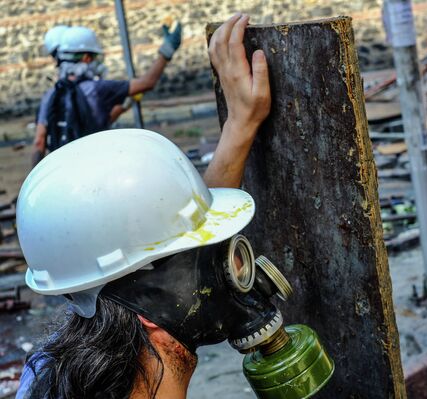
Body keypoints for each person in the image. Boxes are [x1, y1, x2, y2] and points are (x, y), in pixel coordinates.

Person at [16, 14, 272, 399]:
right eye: (211, 256)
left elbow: (159, 238)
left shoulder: (48, 372)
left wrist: (241, 124)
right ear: (148, 308)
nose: (229, 268)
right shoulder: (95, 90)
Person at [31, 22, 183, 166]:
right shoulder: (98, 89)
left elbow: (39, 141)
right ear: (86, 58)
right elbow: (147, 82)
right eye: (94, 57)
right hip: (94, 169)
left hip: (62, 173)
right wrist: (167, 50)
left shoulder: (50, 95)